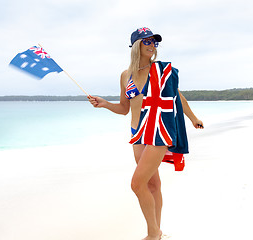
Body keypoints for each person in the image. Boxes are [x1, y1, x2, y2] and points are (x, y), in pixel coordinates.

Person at [88, 27, 203, 240]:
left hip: (158, 130)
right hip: (137, 133)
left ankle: (153, 233)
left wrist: (193, 117)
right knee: (152, 184)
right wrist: (104, 104)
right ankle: (157, 231)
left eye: (154, 42)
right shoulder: (125, 75)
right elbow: (124, 108)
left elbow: (176, 98)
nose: (152, 45)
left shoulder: (160, 72)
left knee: (137, 184)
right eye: (147, 41)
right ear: (135, 46)